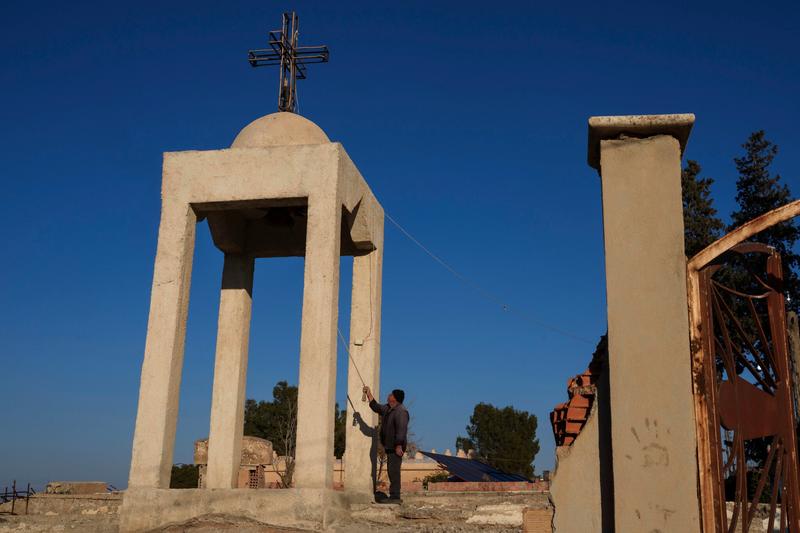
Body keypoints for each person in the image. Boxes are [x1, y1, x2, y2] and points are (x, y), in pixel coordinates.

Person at [363, 386, 409, 503]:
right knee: (391, 470)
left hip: (396, 447)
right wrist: (369, 394)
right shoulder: (389, 408)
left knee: (394, 471)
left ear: (395, 398)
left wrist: (398, 445)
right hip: (389, 447)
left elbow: (401, 430)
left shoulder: (401, 411)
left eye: (390, 394)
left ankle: (395, 497)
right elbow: (376, 407)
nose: (388, 395)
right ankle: (393, 496)